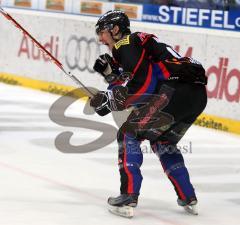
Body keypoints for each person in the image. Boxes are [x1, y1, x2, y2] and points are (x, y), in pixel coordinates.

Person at [90, 10, 207, 217]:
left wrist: (108, 102)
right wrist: (111, 78)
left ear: (115, 30)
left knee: (128, 133)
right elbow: (135, 81)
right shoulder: (137, 45)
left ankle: (128, 195)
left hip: (173, 93)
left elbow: (144, 85)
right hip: (195, 97)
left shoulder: (125, 43)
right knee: (163, 141)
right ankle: (188, 195)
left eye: (102, 32)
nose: (100, 39)